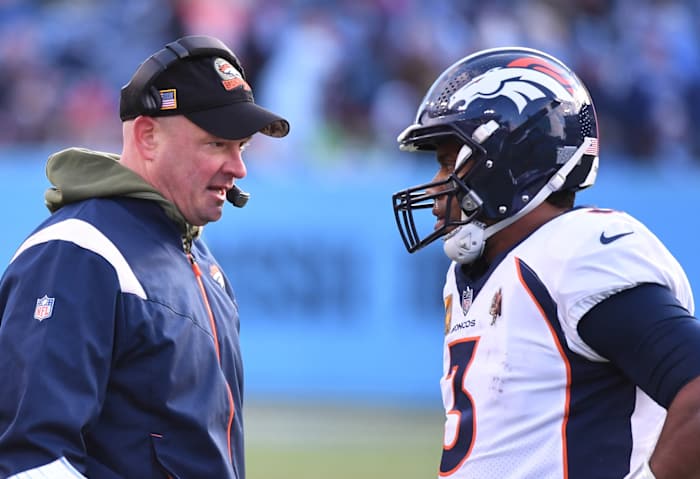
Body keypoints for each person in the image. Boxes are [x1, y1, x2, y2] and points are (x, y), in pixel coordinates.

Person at [391, 47, 700, 478]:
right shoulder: (474, 276)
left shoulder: (576, 252)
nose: (437, 186)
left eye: (448, 162)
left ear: (510, 157)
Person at [0, 35, 289, 478]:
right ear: (147, 136)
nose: (239, 167)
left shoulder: (201, 263)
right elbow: (35, 461)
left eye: (242, 147)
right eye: (217, 144)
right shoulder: (79, 251)